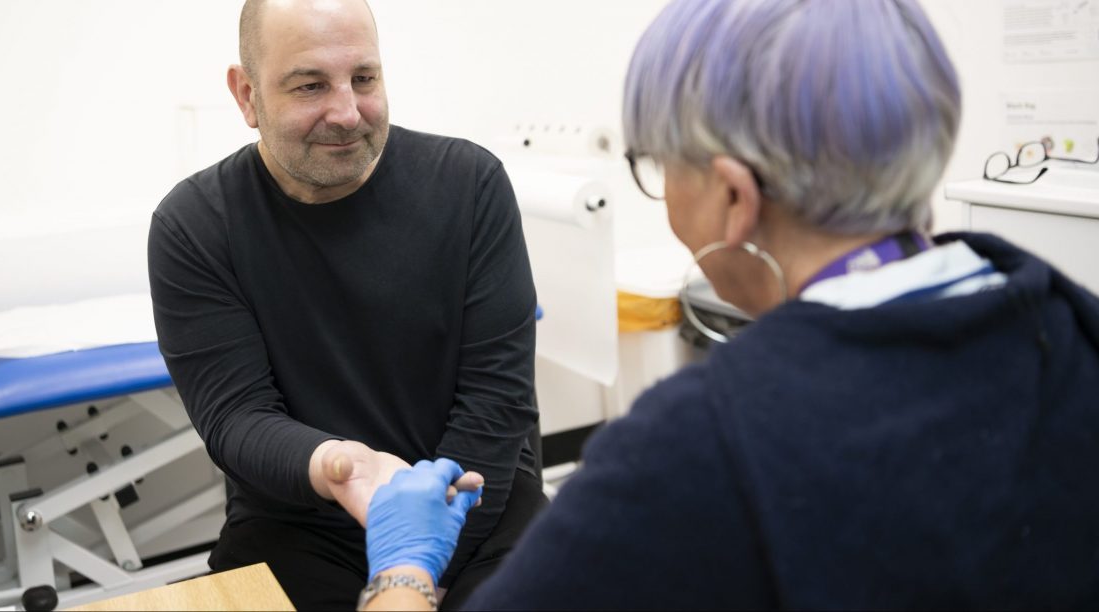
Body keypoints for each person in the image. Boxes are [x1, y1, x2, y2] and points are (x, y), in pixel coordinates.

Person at [352, 0, 1099, 609]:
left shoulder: (697, 448)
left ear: (735, 198)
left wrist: (403, 573)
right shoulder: (1066, 321)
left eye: (657, 169)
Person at [146, 0, 547, 607]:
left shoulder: (468, 184)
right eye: (310, 86)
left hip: (476, 497)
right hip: (302, 521)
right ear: (247, 95)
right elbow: (235, 418)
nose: (347, 112)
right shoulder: (196, 224)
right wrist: (339, 467)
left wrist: (420, 552)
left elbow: (497, 399)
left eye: (364, 78)